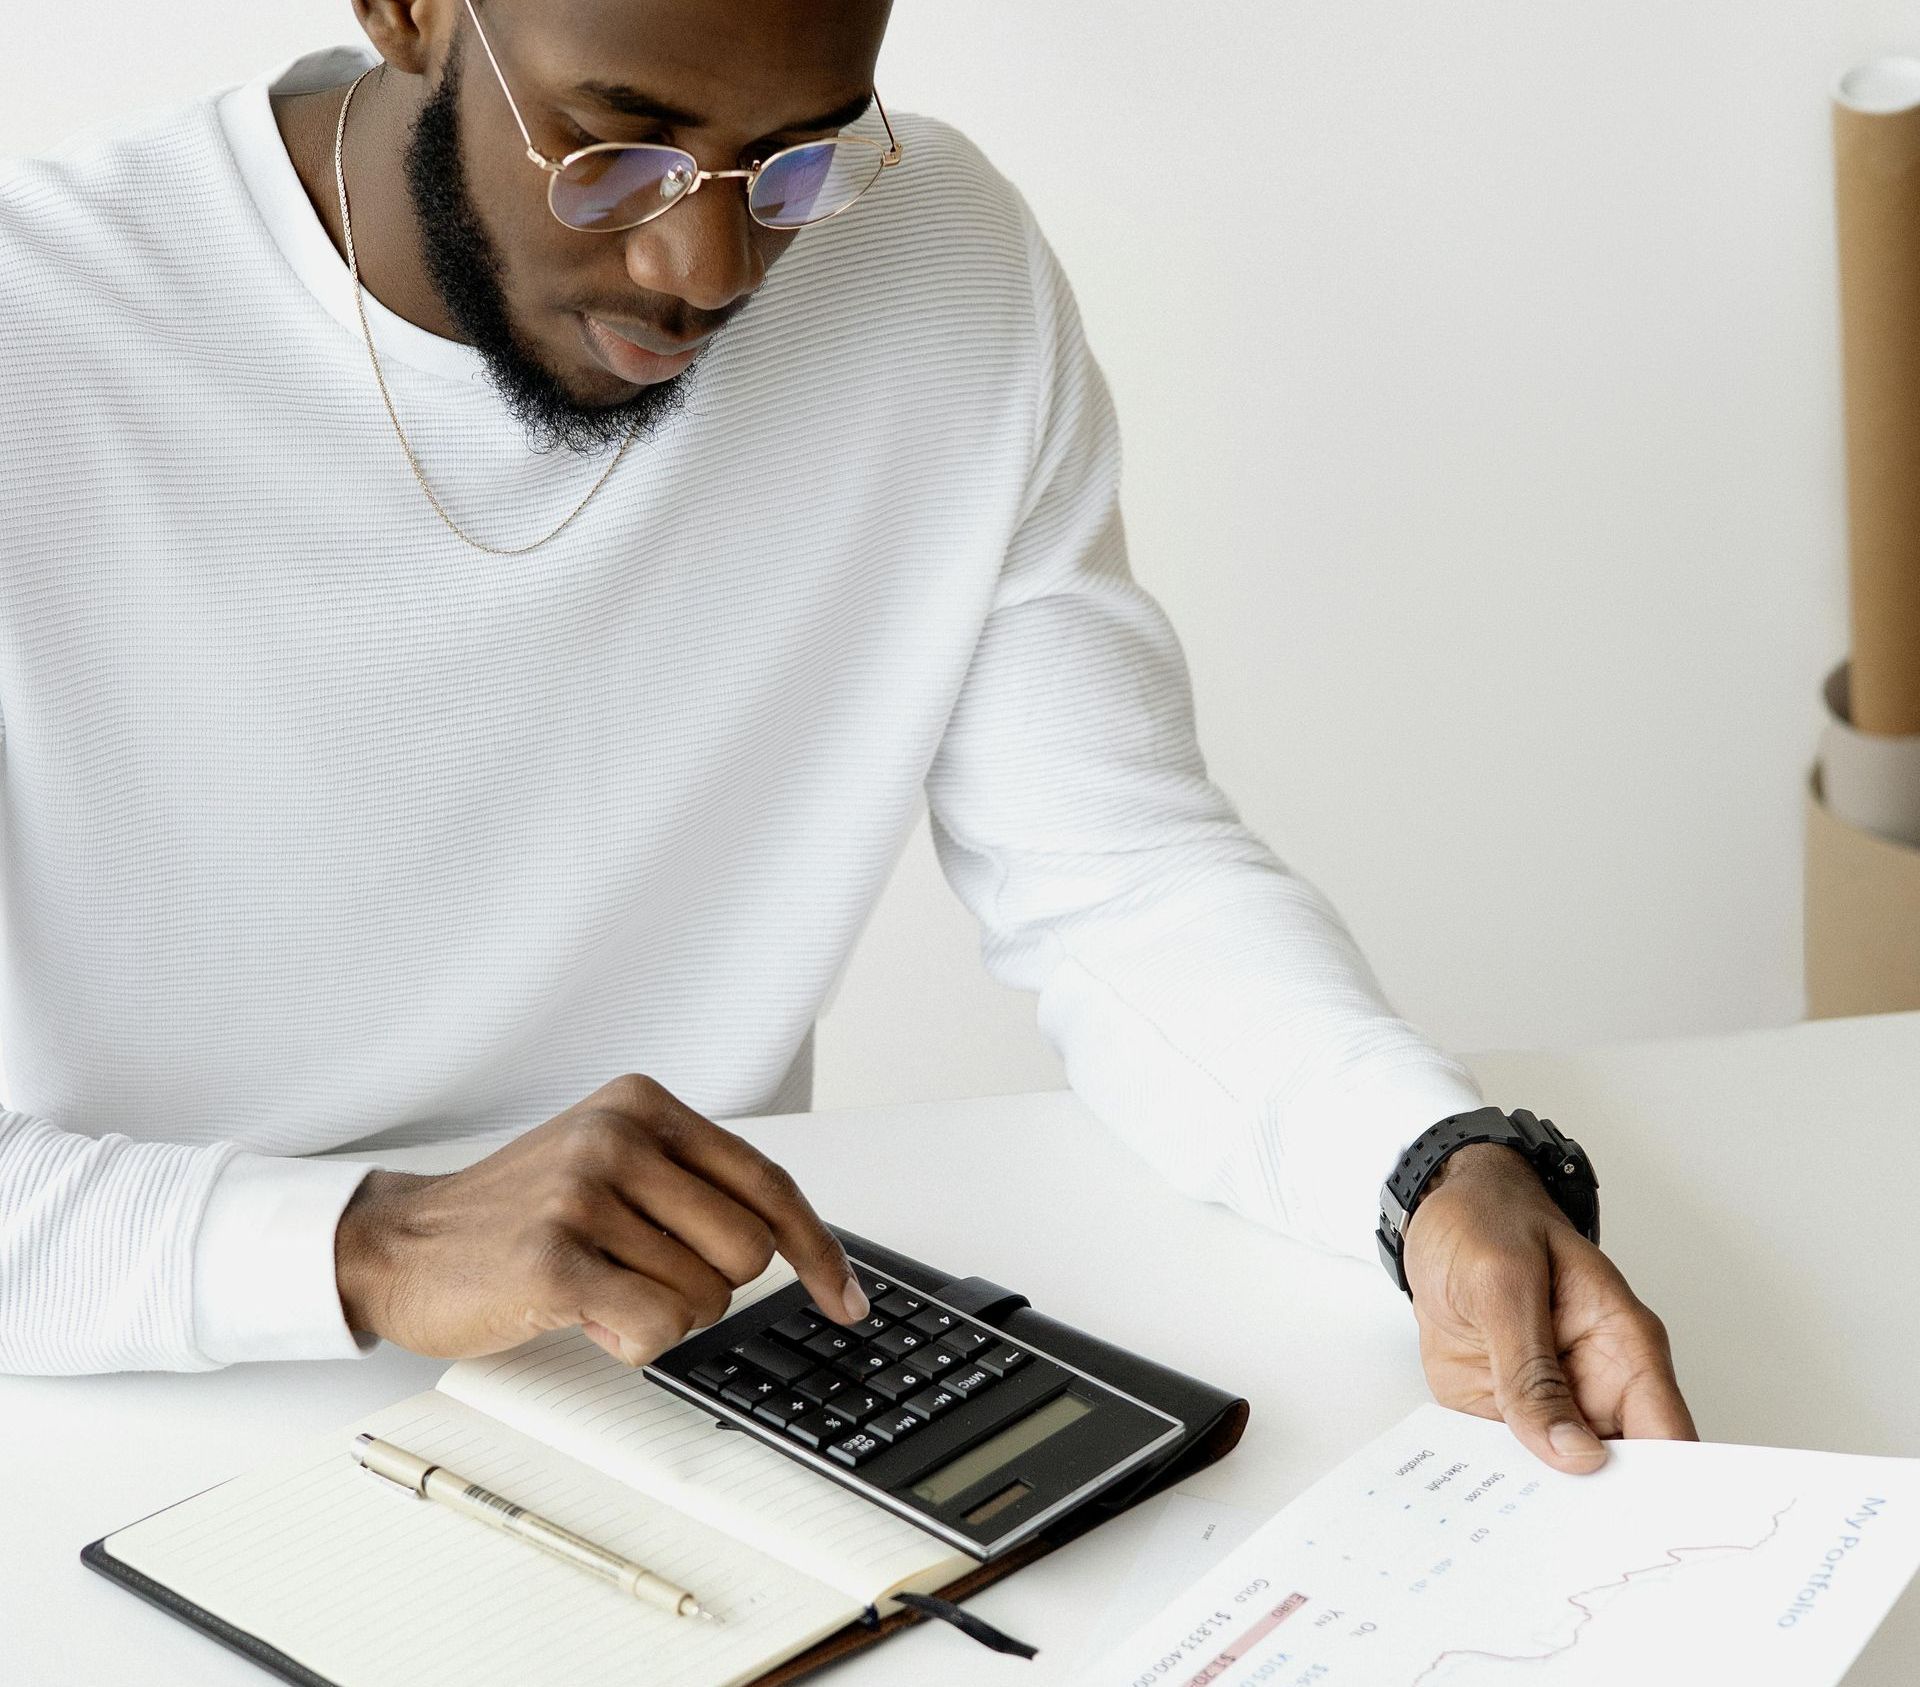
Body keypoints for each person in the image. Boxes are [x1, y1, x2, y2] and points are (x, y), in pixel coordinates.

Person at [0, 0, 1693, 1473]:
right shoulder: (42, 337)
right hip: (97, 1408)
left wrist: (1427, 1171)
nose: (707, 268)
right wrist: (368, 1242)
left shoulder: (933, 265)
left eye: (798, 157)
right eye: (621, 149)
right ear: (407, 9)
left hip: (701, 1393)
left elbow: (1116, 880)